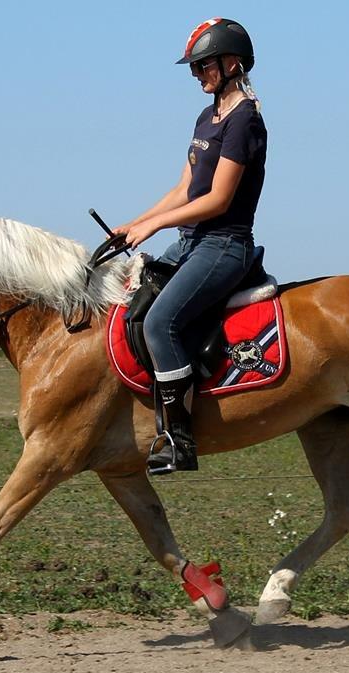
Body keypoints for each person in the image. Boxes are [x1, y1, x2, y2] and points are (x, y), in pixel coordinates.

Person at [112, 18, 267, 475]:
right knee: (134, 297)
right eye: (193, 67)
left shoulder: (245, 122)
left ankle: (179, 439)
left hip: (224, 245)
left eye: (203, 65)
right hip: (193, 240)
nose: (196, 74)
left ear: (231, 62)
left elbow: (217, 200)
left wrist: (156, 226)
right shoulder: (207, 117)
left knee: (161, 322)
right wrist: (134, 223)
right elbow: (186, 188)